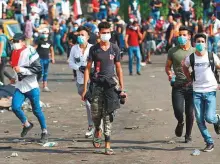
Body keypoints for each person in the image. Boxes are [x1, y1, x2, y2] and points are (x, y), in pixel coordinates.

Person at [81, 22, 126, 155]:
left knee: (108, 115)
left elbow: (118, 68)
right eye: (103, 32)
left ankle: (107, 144)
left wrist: (122, 88)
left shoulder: (114, 48)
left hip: (111, 86)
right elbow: (88, 69)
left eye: (108, 32)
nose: (106, 35)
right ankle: (97, 129)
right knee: (96, 114)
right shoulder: (94, 49)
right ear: (99, 34)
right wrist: (85, 88)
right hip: (96, 85)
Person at [183, 33, 220, 152]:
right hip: (197, 91)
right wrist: (189, 79)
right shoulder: (191, 58)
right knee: (199, 119)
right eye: (198, 41)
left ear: (206, 43)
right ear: (194, 43)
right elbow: (185, 67)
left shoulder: (211, 56)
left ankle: (217, 119)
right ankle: (209, 142)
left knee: (209, 118)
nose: (200, 44)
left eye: (202, 41)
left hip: (210, 90)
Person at [10, 33, 48, 143]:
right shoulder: (14, 52)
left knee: (37, 110)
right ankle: (27, 124)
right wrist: (14, 77)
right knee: (15, 107)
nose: (15, 44)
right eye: (14, 42)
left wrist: (22, 70)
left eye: (17, 41)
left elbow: (38, 69)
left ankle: (44, 131)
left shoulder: (30, 51)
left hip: (31, 86)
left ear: (22, 41)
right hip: (20, 86)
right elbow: (15, 68)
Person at [165, 26, 195, 143]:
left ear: (189, 36)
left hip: (192, 86)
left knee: (190, 112)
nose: (181, 37)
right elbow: (168, 66)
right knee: (178, 110)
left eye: (184, 35)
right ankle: (180, 121)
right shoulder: (173, 51)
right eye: (180, 35)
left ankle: (188, 135)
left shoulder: (194, 51)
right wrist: (169, 73)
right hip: (177, 86)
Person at [68, 26, 95, 138]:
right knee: (89, 103)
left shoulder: (92, 48)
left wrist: (89, 68)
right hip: (80, 81)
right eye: (79, 34)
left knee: (90, 104)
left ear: (88, 37)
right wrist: (79, 68)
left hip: (92, 80)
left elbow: (97, 62)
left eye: (82, 35)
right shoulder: (74, 48)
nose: (80, 36)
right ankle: (95, 124)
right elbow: (70, 62)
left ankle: (92, 126)